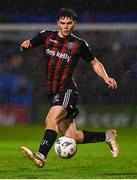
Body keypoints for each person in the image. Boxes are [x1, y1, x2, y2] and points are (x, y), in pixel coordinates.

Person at [20, 8, 119, 168]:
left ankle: (41, 156)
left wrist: (106, 77)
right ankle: (108, 136)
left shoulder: (79, 44)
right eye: (63, 23)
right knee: (73, 137)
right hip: (52, 91)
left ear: (74, 24)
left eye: (69, 23)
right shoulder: (46, 36)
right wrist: (24, 46)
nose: (65, 26)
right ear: (58, 23)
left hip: (67, 90)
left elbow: (94, 62)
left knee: (51, 119)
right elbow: (28, 44)